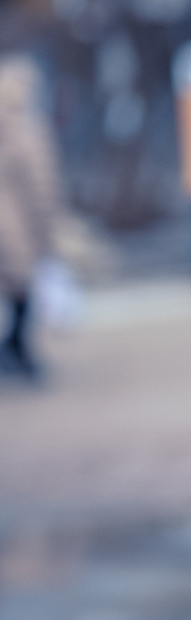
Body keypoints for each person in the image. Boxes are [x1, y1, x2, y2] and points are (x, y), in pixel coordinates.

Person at [0, 54, 66, 380]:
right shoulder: (27, 129)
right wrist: (48, 233)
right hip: (17, 227)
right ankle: (17, 351)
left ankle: (14, 350)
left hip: (8, 226)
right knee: (22, 292)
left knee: (16, 292)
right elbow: (41, 186)